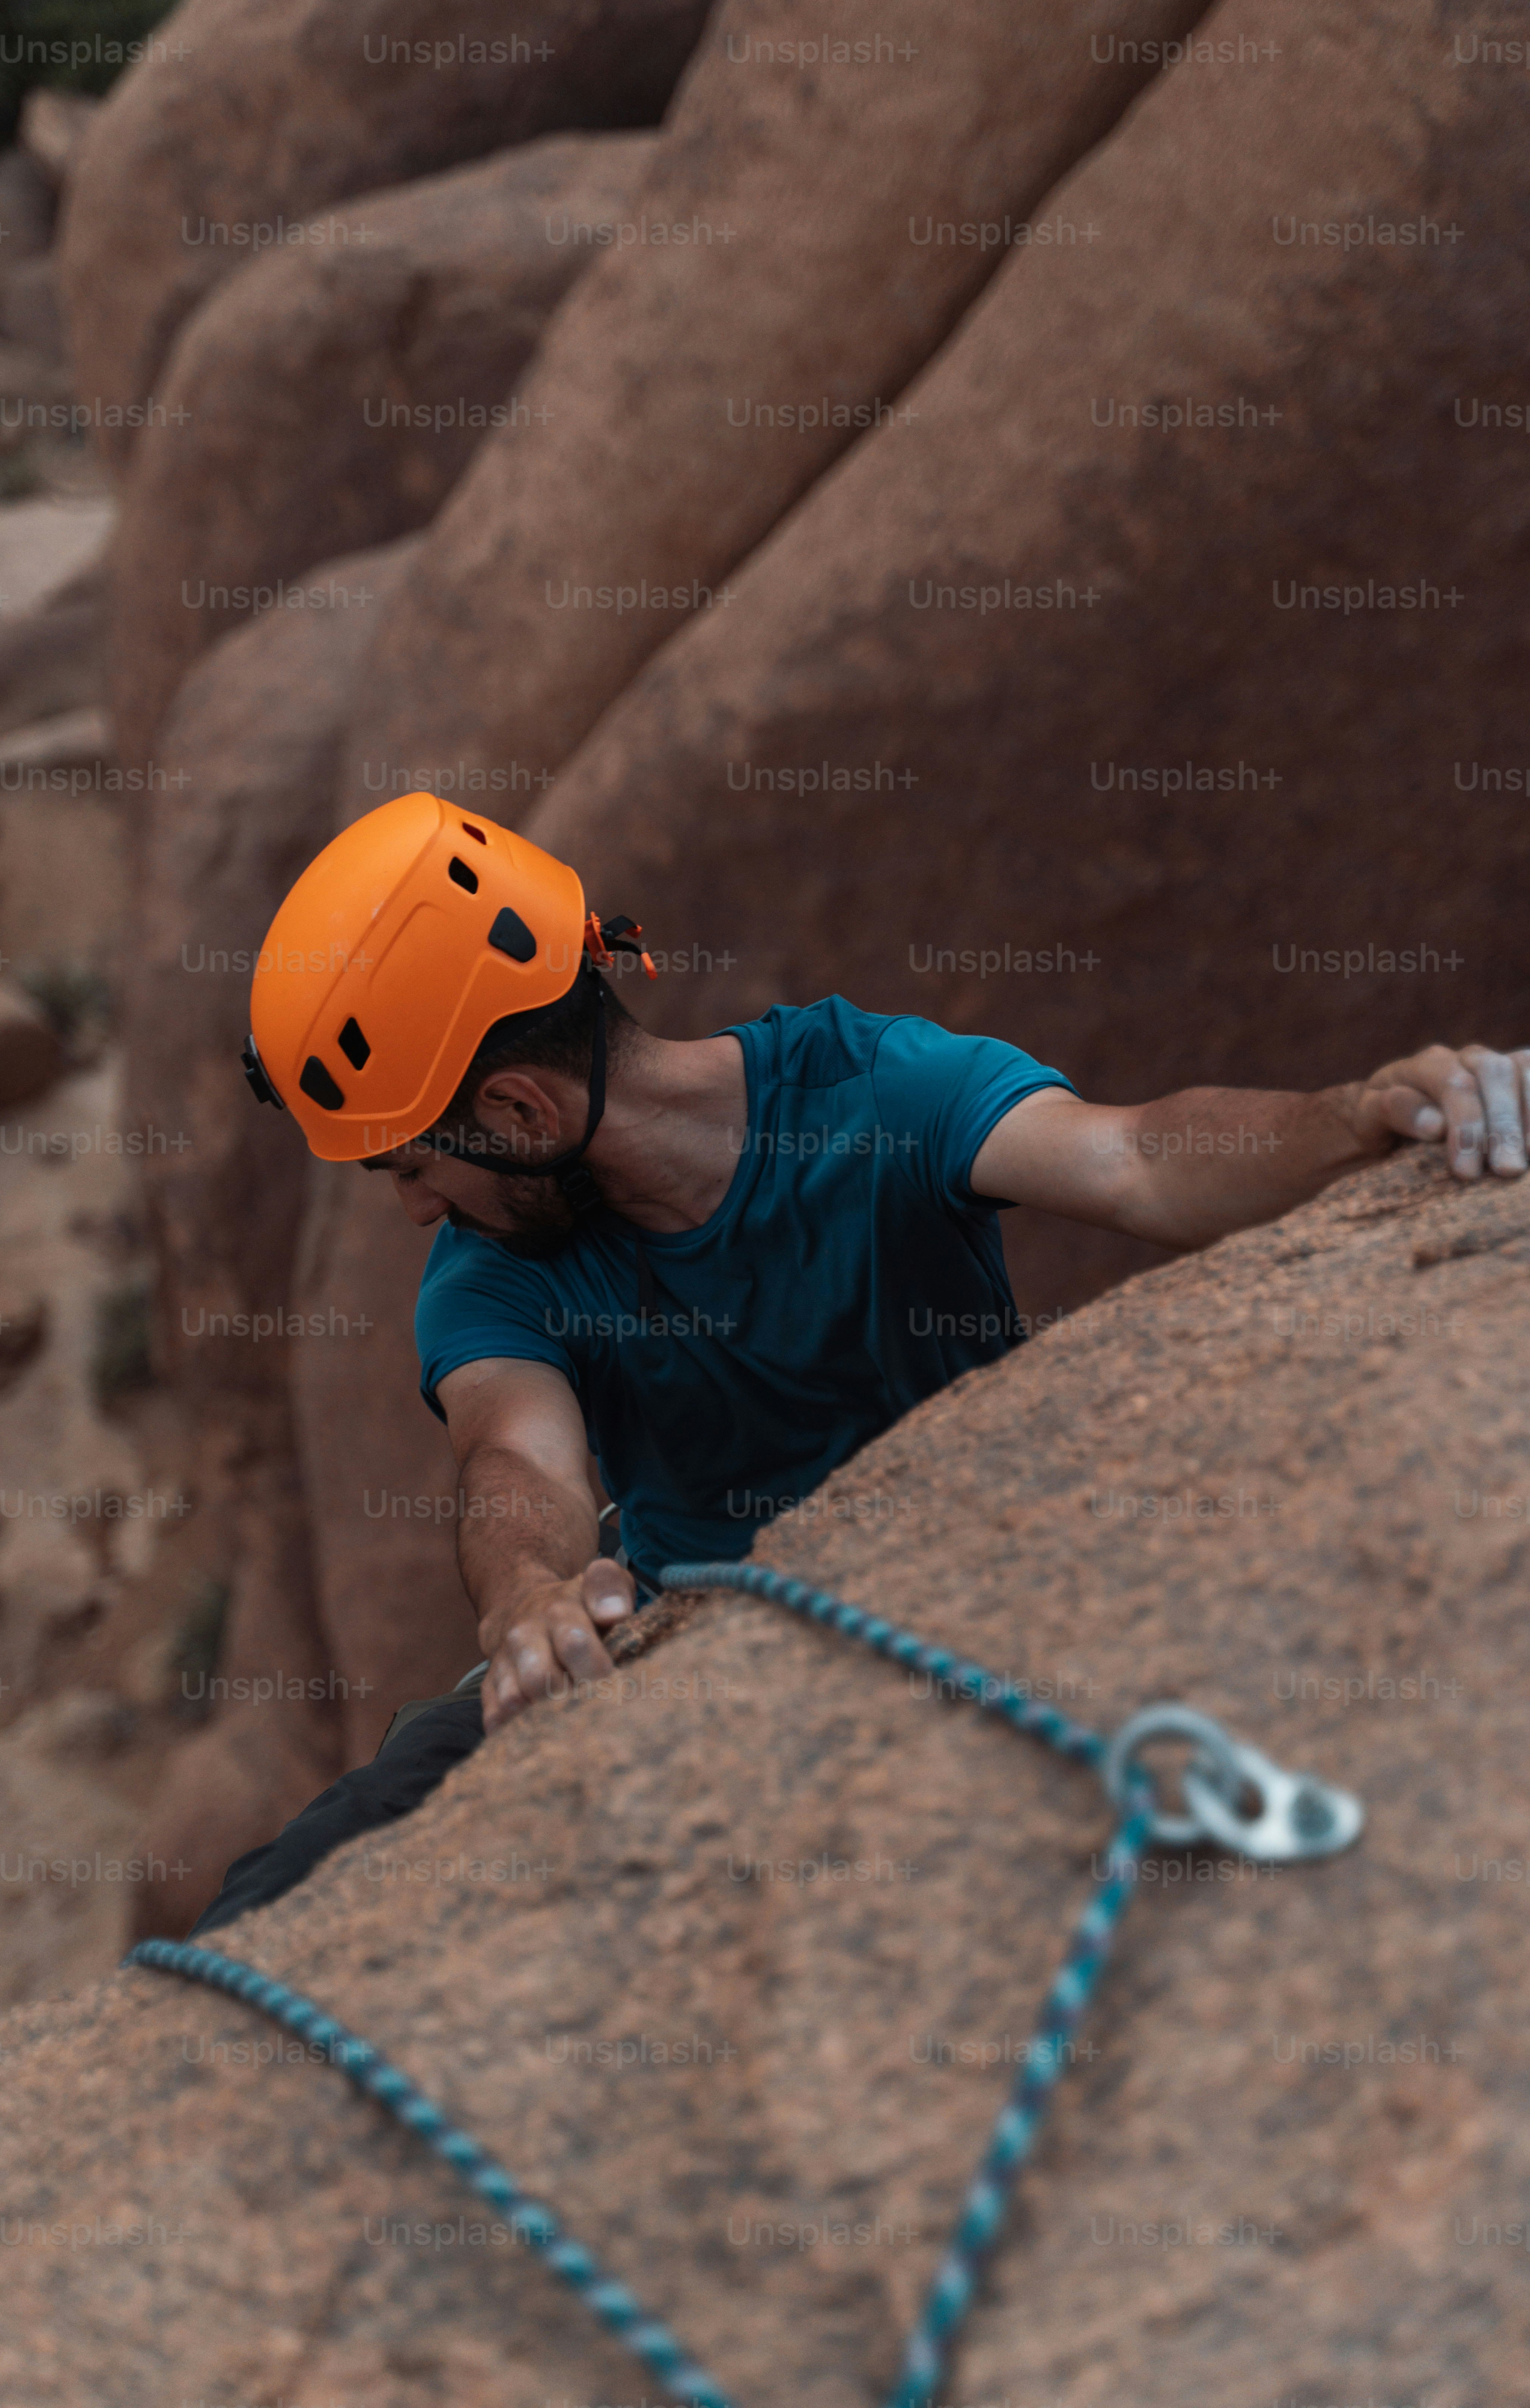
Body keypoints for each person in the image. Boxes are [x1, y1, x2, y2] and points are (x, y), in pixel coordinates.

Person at [193, 789, 1527, 1934]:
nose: (416, 1209)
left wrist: (1352, 1121)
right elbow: (512, 1451)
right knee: (280, 1889)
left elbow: (1139, 1158)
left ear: (518, 1110)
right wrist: (528, 1594)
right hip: (682, 1616)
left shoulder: (866, 1091)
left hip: (973, 1577)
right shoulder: (498, 1264)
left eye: (413, 1164)